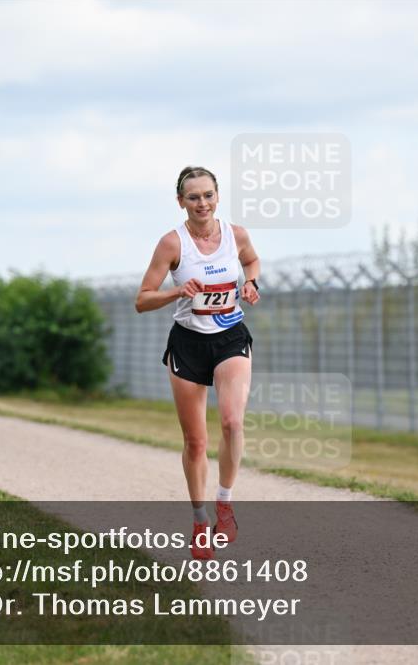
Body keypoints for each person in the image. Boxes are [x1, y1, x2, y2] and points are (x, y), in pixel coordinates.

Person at [135, 166, 261, 560]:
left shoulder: (235, 234)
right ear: (181, 202)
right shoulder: (172, 244)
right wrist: (177, 292)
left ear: (217, 197)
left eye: (208, 195)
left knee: (232, 422)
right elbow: (142, 299)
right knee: (196, 441)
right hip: (188, 342)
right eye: (193, 197)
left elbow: (253, 262)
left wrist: (251, 283)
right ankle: (200, 520)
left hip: (229, 337)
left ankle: (225, 502)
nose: (202, 203)